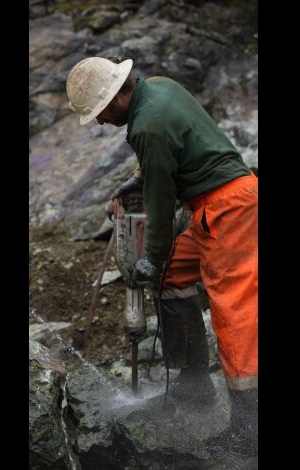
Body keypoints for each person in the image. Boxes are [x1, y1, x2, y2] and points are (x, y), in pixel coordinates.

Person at [66, 56, 258, 469]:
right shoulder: (158, 87)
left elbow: (159, 201)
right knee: (175, 273)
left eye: (100, 113)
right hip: (212, 204)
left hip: (227, 206)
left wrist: (151, 257)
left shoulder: (146, 126)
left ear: (118, 95)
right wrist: (137, 177)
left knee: (234, 308)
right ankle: (194, 385)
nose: (99, 123)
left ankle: (249, 427)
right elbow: (171, 150)